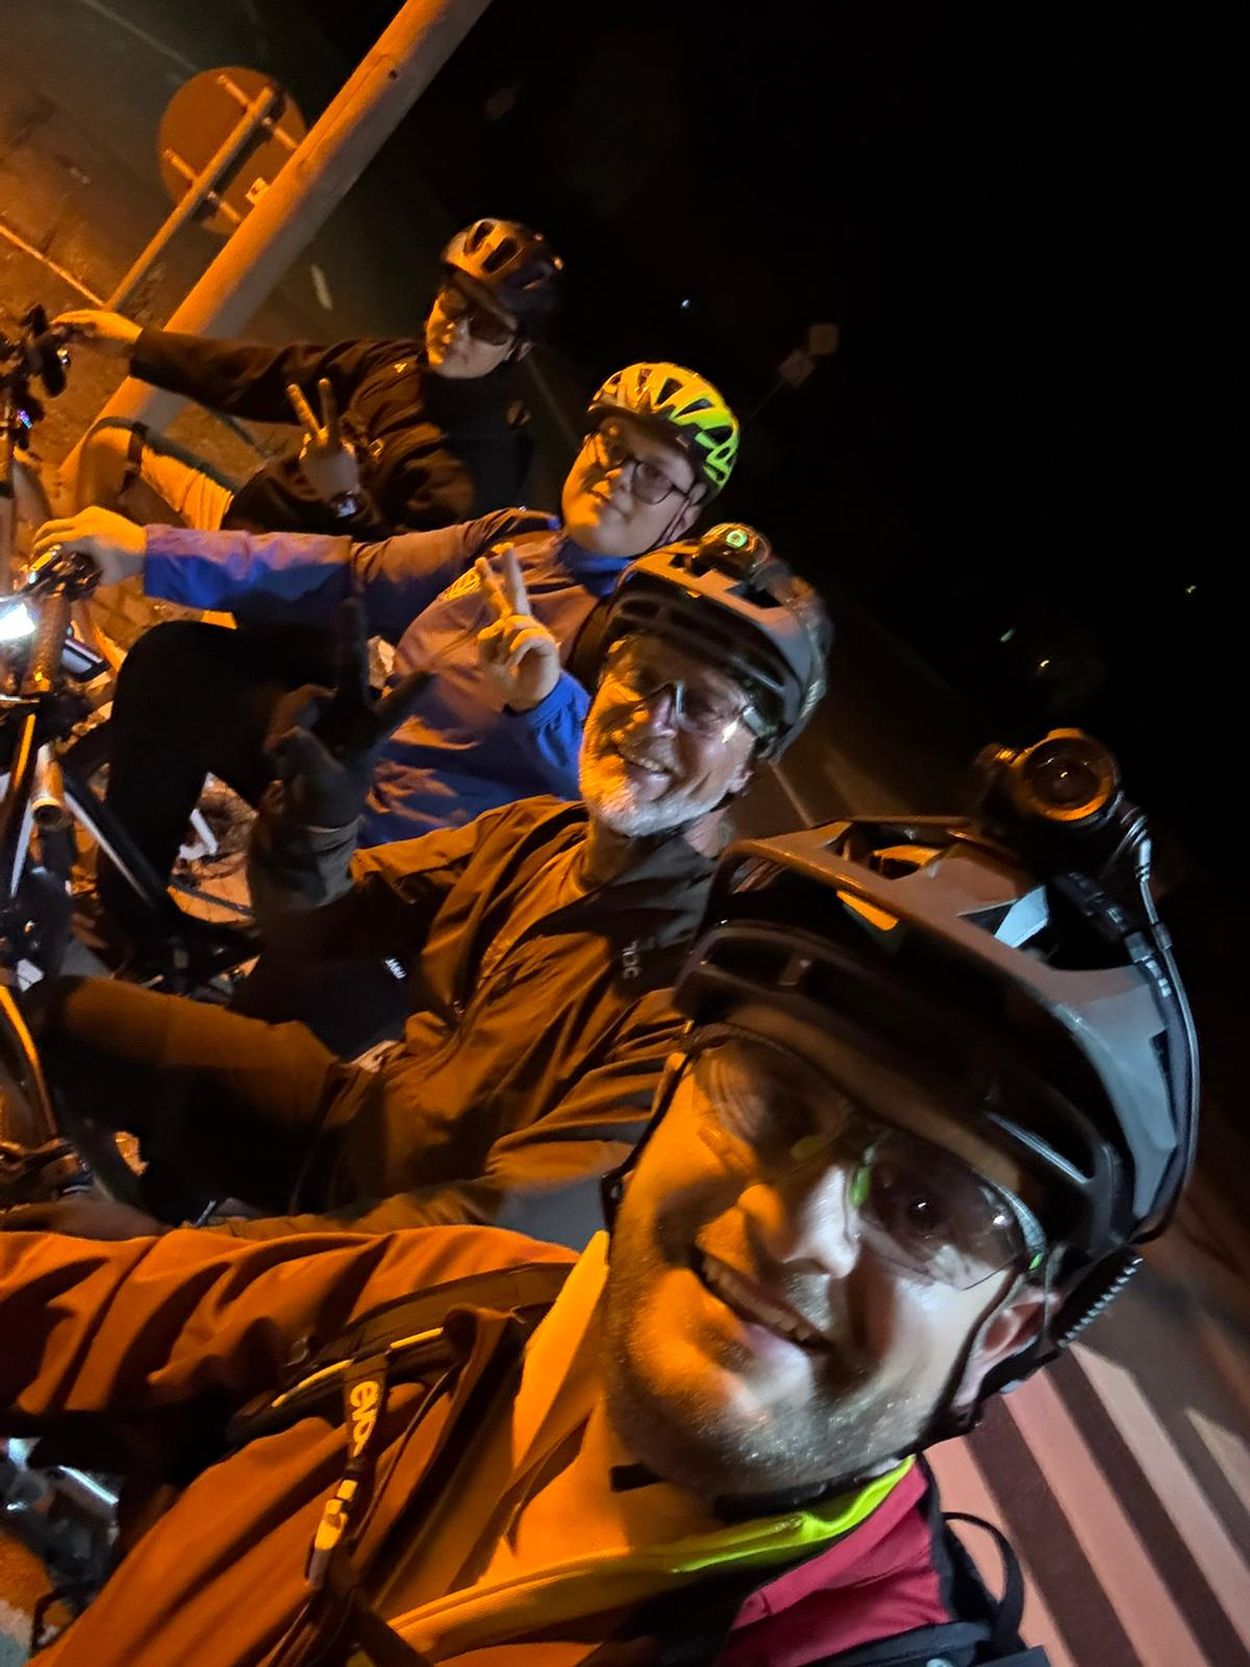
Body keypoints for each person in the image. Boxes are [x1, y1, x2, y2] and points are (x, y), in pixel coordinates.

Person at [0, 731, 1196, 1666]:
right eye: (766, 1102)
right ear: (669, 1109)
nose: (797, 1226)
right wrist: (321, 802)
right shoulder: (452, 1302)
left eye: (926, 1212)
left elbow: (513, 1191)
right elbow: (71, 1298)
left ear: (1007, 1332)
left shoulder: (848, 1643)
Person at [16, 523, 829, 1242]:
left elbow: (492, 1230)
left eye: (703, 708)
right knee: (49, 1018)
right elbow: (312, 923)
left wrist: (178, 1259)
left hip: (417, 1263)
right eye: (641, 676)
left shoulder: (689, 987)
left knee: (144, 1273)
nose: (651, 717)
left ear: (748, 767)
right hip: (356, 1126)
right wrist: (319, 816)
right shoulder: (532, 837)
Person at [34, 360, 740, 956]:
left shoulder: (636, 630)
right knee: (178, 667)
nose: (617, 475)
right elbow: (351, 570)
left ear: (684, 517)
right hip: (352, 783)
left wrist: (544, 700)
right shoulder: (514, 539)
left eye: (653, 475)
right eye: (611, 444)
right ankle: (132, 927)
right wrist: (148, 550)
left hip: (411, 875)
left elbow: (622, 789)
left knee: (256, 1039)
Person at [58, 218, 564, 538]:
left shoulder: (478, 468)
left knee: (164, 663)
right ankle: (72, 638)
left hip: (285, 610)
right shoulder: (395, 362)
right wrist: (136, 343)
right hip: (241, 529)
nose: (458, 329)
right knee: (109, 450)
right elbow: (268, 375)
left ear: (516, 349)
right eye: (455, 301)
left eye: (488, 326)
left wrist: (345, 501)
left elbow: (398, 589)